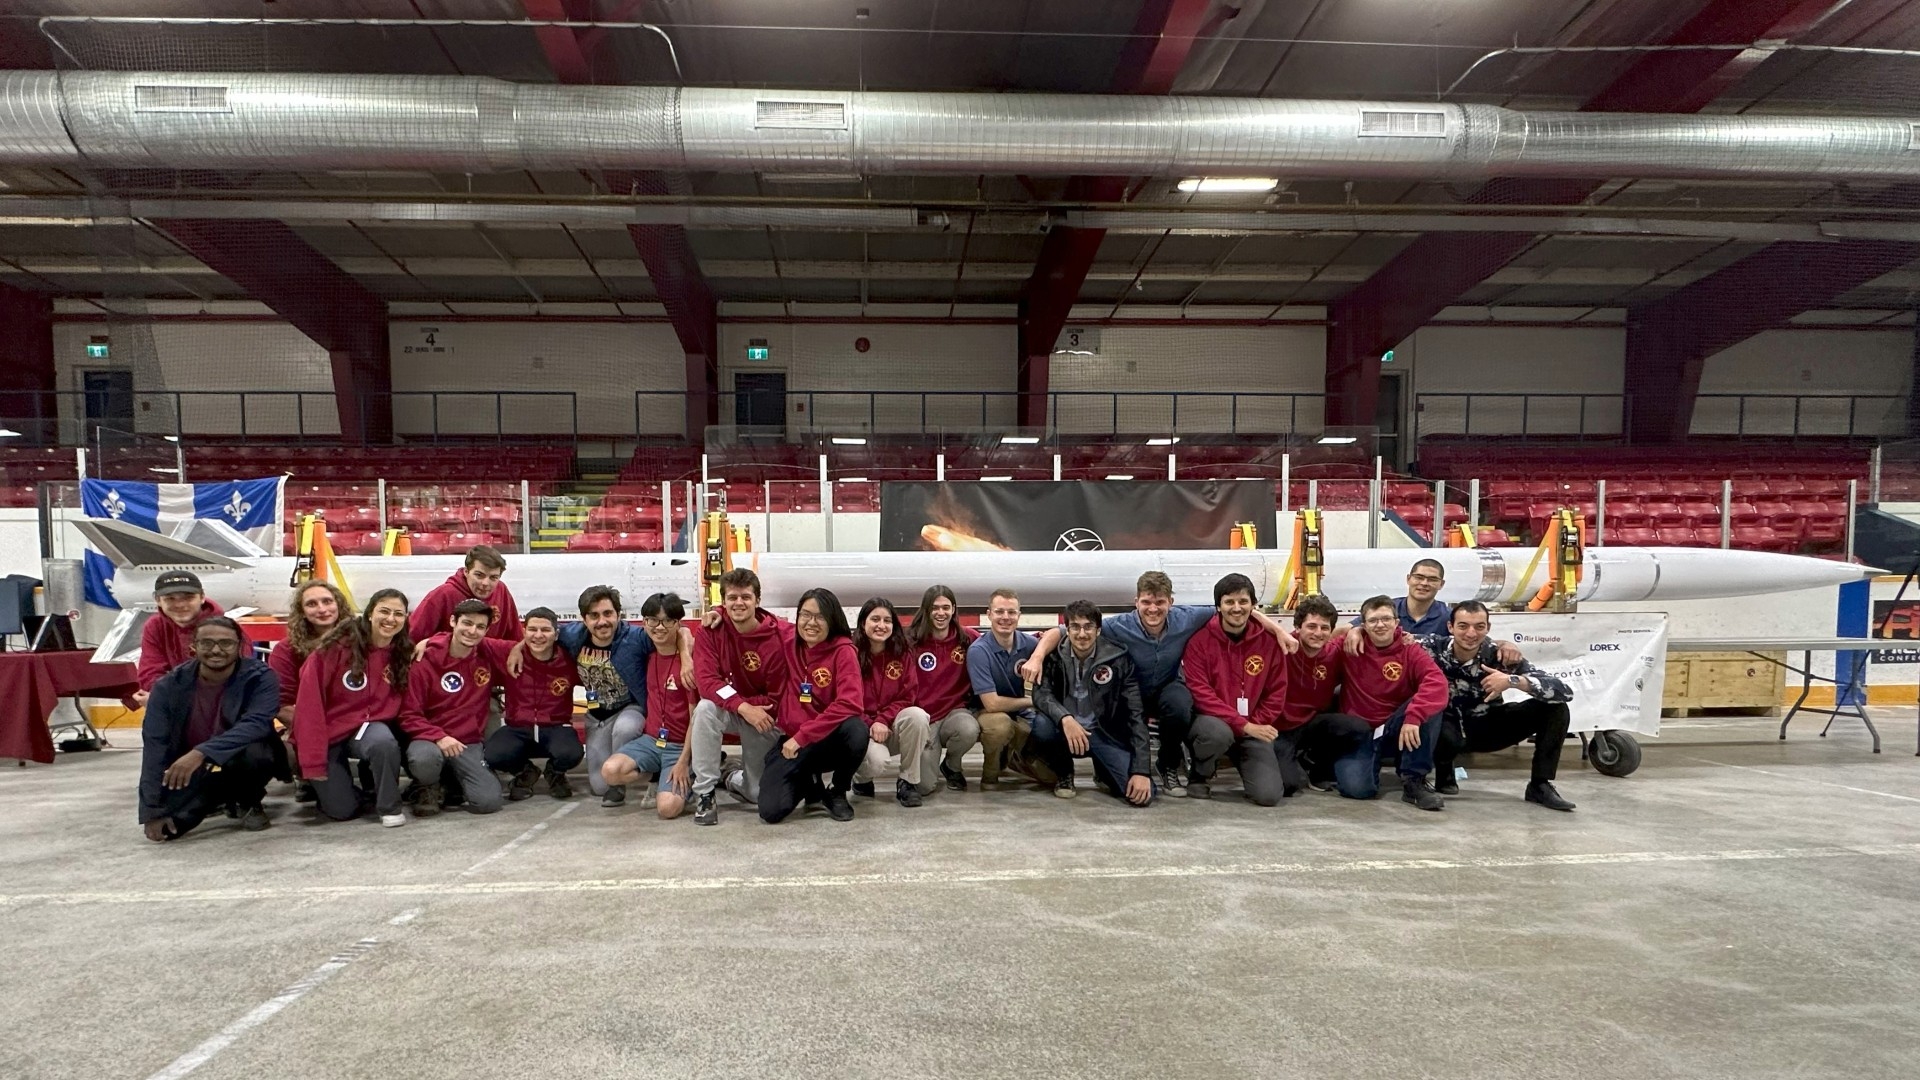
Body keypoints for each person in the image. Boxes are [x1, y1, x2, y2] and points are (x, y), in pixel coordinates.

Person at [1023, 570, 1298, 797]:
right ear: (1136, 602)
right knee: (1111, 730)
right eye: (1146, 602)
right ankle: (1094, 768)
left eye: (1160, 602)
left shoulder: (1189, 618)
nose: (1153, 609)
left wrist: (1276, 629)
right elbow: (1061, 631)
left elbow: (1238, 609)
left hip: (1167, 690)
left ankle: (1168, 764)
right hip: (1131, 692)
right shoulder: (1117, 625)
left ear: (1171, 602)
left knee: (1180, 702)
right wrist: (1036, 657)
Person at [1421, 601, 1578, 812]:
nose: (1471, 633)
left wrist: (1513, 680)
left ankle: (1540, 785)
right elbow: (1387, 635)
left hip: (1485, 726)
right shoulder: (1431, 647)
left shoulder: (1499, 655)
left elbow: (1564, 691)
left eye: (1479, 626)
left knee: (1555, 709)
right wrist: (1358, 630)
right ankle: (1438, 772)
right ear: (1450, 627)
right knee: (1426, 716)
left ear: (1488, 628)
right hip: (1442, 730)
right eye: (1463, 626)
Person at [138, 617, 283, 840]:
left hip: (241, 756)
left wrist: (202, 752)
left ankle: (247, 800)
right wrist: (152, 810)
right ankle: (221, 794)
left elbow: (256, 724)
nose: (216, 650)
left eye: (226, 643)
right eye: (207, 643)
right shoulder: (168, 686)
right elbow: (155, 746)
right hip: (188, 762)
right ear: (193, 646)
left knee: (257, 753)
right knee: (170, 829)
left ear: (239, 646)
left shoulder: (260, 677)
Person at [292, 589, 414, 827]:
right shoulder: (332, 650)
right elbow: (308, 709)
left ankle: (389, 807)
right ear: (369, 614)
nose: (391, 619)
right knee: (341, 810)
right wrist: (312, 761)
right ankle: (340, 791)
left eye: (398, 614)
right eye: (384, 611)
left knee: (384, 742)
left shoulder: (402, 652)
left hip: (367, 727)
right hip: (329, 732)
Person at [758, 587, 870, 824]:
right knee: (771, 810)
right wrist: (717, 612)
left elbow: (850, 703)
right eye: (805, 615)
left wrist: (802, 736)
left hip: (826, 740)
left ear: (832, 620)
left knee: (857, 729)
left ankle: (838, 790)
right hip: (792, 740)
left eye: (820, 617)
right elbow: (753, 616)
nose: (811, 622)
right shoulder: (788, 641)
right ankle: (811, 783)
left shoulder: (843, 651)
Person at [690, 568, 789, 826]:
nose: (739, 603)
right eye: (732, 598)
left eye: (746, 597)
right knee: (705, 709)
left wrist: (750, 708)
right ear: (723, 602)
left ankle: (731, 775)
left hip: (765, 715)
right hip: (736, 709)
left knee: (756, 794)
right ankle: (705, 793)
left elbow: (775, 698)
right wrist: (742, 706)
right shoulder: (710, 631)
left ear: (757, 600)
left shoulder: (779, 637)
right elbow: (708, 682)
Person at [1333, 595, 1451, 811]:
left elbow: (1437, 682)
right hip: (1361, 731)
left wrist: (1414, 717)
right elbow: (1316, 643)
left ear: (1397, 622)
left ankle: (1413, 780)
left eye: (1386, 619)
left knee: (1428, 704)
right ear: (1364, 624)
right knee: (1358, 790)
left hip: (1395, 727)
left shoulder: (1411, 650)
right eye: (1373, 620)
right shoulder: (1349, 645)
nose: (1380, 625)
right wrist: (1350, 631)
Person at [1182, 575, 1293, 804]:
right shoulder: (1199, 642)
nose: (1236, 608)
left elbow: (1276, 692)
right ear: (1218, 607)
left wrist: (1255, 725)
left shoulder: (1270, 643)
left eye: (1243, 601)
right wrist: (1243, 725)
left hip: (1254, 726)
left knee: (1269, 796)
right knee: (1216, 734)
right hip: (1213, 723)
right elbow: (1201, 694)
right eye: (1229, 602)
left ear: (1253, 606)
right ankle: (1199, 774)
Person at [1031, 600, 1153, 806]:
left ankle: (1104, 771)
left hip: (1102, 733)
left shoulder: (1119, 659)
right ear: (1066, 629)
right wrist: (1065, 718)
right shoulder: (1052, 657)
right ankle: (1064, 772)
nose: (1082, 634)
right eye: (1075, 627)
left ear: (1098, 631)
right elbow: (1042, 695)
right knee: (1042, 726)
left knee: (1140, 795)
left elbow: (1136, 714)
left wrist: (1141, 771)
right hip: (1064, 731)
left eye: (1088, 627)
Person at [552, 585, 655, 808]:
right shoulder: (572, 636)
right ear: (584, 619)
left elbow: (680, 632)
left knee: (625, 729)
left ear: (619, 615)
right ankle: (634, 775)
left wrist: (685, 655)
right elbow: (541, 632)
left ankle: (631, 781)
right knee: (599, 787)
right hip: (596, 714)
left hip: (630, 708)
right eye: (594, 616)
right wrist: (517, 648)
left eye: (608, 614)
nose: (602, 621)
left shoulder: (635, 637)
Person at [600, 593, 701, 820]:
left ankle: (691, 778)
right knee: (610, 772)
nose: (659, 627)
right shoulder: (646, 654)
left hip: (680, 747)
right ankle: (659, 778)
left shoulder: (690, 667)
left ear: (677, 623)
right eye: (652, 620)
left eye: (667, 621)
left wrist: (684, 762)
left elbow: (696, 719)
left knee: (667, 810)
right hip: (652, 742)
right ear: (644, 622)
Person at [481, 606, 583, 801]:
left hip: (556, 727)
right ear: (524, 631)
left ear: (556, 634)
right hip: (517, 728)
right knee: (493, 754)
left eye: (545, 630)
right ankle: (525, 772)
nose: (538, 635)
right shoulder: (506, 652)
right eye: (532, 629)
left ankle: (555, 772)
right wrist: (427, 643)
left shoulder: (570, 659)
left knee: (571, 753)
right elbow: (469, 638)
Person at [1277, 594, 1373, 794]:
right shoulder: (1281, 648)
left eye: (1324, 628)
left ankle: (1316, 765)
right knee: (1288, 786)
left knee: (1357, 727)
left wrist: (1357, 629)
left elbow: (1369, 627)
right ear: (1298, 627)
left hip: (1313, 723)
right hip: (1280, 727)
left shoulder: (1334, 651)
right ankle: (1292, 761)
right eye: (1311, 626)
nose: (1318, 633)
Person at [269, 580, 353, 804]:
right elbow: (281, 704)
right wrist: (314, 728)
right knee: (340, 807)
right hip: (313, 727)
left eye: (327, 601)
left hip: (353, 722)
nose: (323, 609)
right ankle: (306, 777)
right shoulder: (285, 650)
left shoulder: (360, 641)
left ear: (339, 604)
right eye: (312, 604)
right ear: (302, 612)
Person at [966, 588, 1052, 789]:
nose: (1006, 617)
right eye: (999, 612)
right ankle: (991, 774)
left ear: (1019, 616)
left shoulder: (1030, 644)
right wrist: (1034, 701)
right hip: (985, 712)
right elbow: (992, 703)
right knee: (1001, 726)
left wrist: (1040, 653)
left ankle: (1014, 755)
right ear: (989, 615)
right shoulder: (979, 651)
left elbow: (1060, 635)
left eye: (1011, 612)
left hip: (1019, 713)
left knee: (1051, 778)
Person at [851, 596, 931, 807]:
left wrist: (884, 720)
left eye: (887, 621)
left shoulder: (902, 653)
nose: (881, 625)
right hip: (861, 728)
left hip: (890, 725)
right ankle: (861, 780)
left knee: (917, 716)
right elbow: (846, 700)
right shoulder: (850, 654)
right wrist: (870, 724)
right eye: (875, 619)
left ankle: (908, 781)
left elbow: (908, 696)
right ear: (863, 623)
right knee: (877, 762)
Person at [905, 584, 982, 792]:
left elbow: (994, 645)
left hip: (954, 713)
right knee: (923, 787)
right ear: (926, 610)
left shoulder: (967, 638)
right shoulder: (910, 641)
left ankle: (951, 765)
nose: (941, 613)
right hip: (924, 718)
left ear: (954, 610)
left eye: (946, 607)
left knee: (968, 729)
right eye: (935, 608)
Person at [132, 570, 225, 705]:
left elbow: (227, 682)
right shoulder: (154, 626)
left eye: (188, 597)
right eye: (170, 598)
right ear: (157, 600)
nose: (180, 605)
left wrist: (164, 699)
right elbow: (149, 674)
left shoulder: (227, 629)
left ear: (202, 597)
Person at [408, 543, 522, 643]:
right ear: (466, 571)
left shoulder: (501, 590)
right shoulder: (443, 594)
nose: (485, 583)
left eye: (493, 577)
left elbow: (515, 636)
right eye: (479, 575)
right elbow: (412, 636)